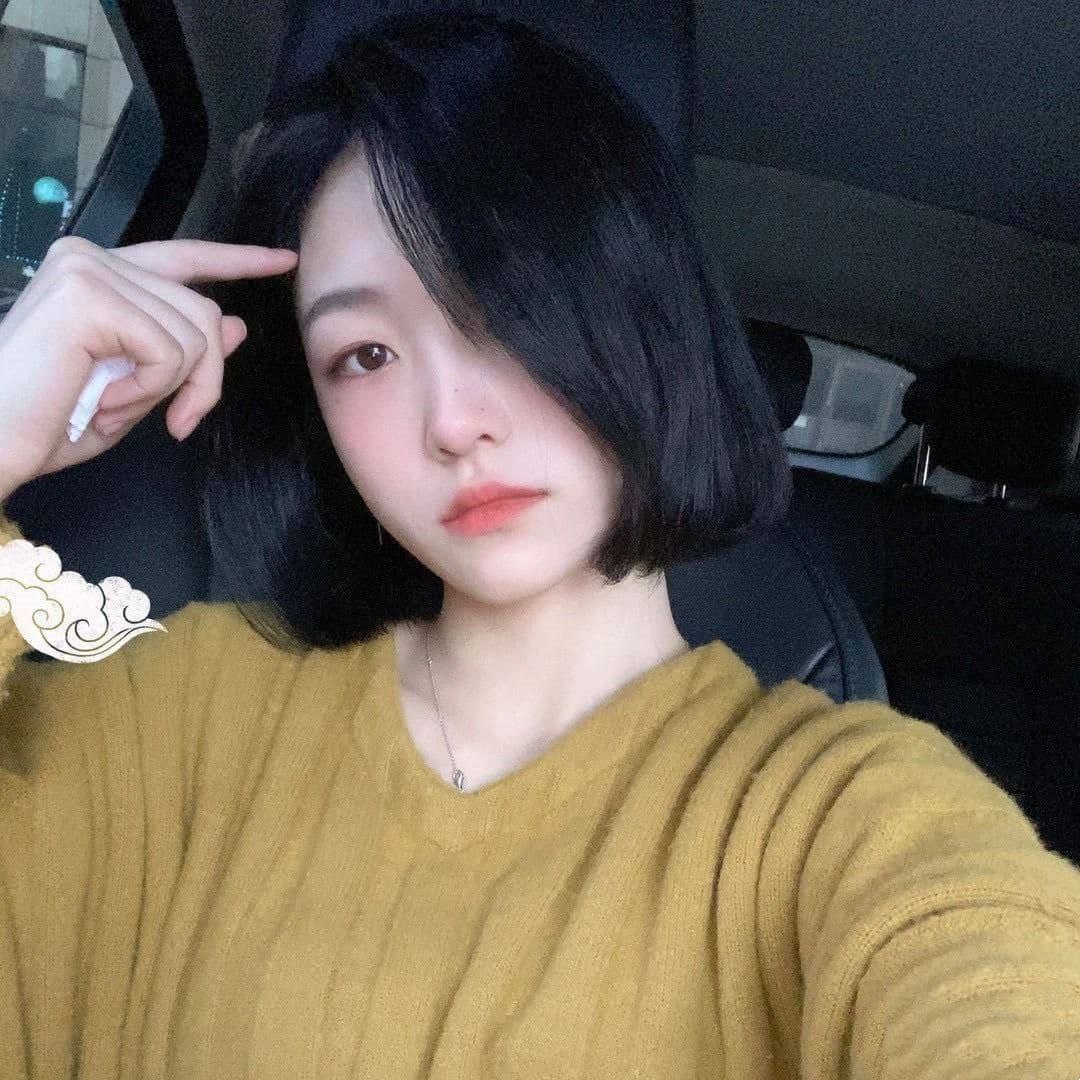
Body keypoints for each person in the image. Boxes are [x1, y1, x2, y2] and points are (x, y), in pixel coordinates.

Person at [0, 9, 1078, 1078]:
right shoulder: (181, 708)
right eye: (365, 354)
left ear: (640, 316)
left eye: (502, 302)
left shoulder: (841, 815)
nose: (451, 420)